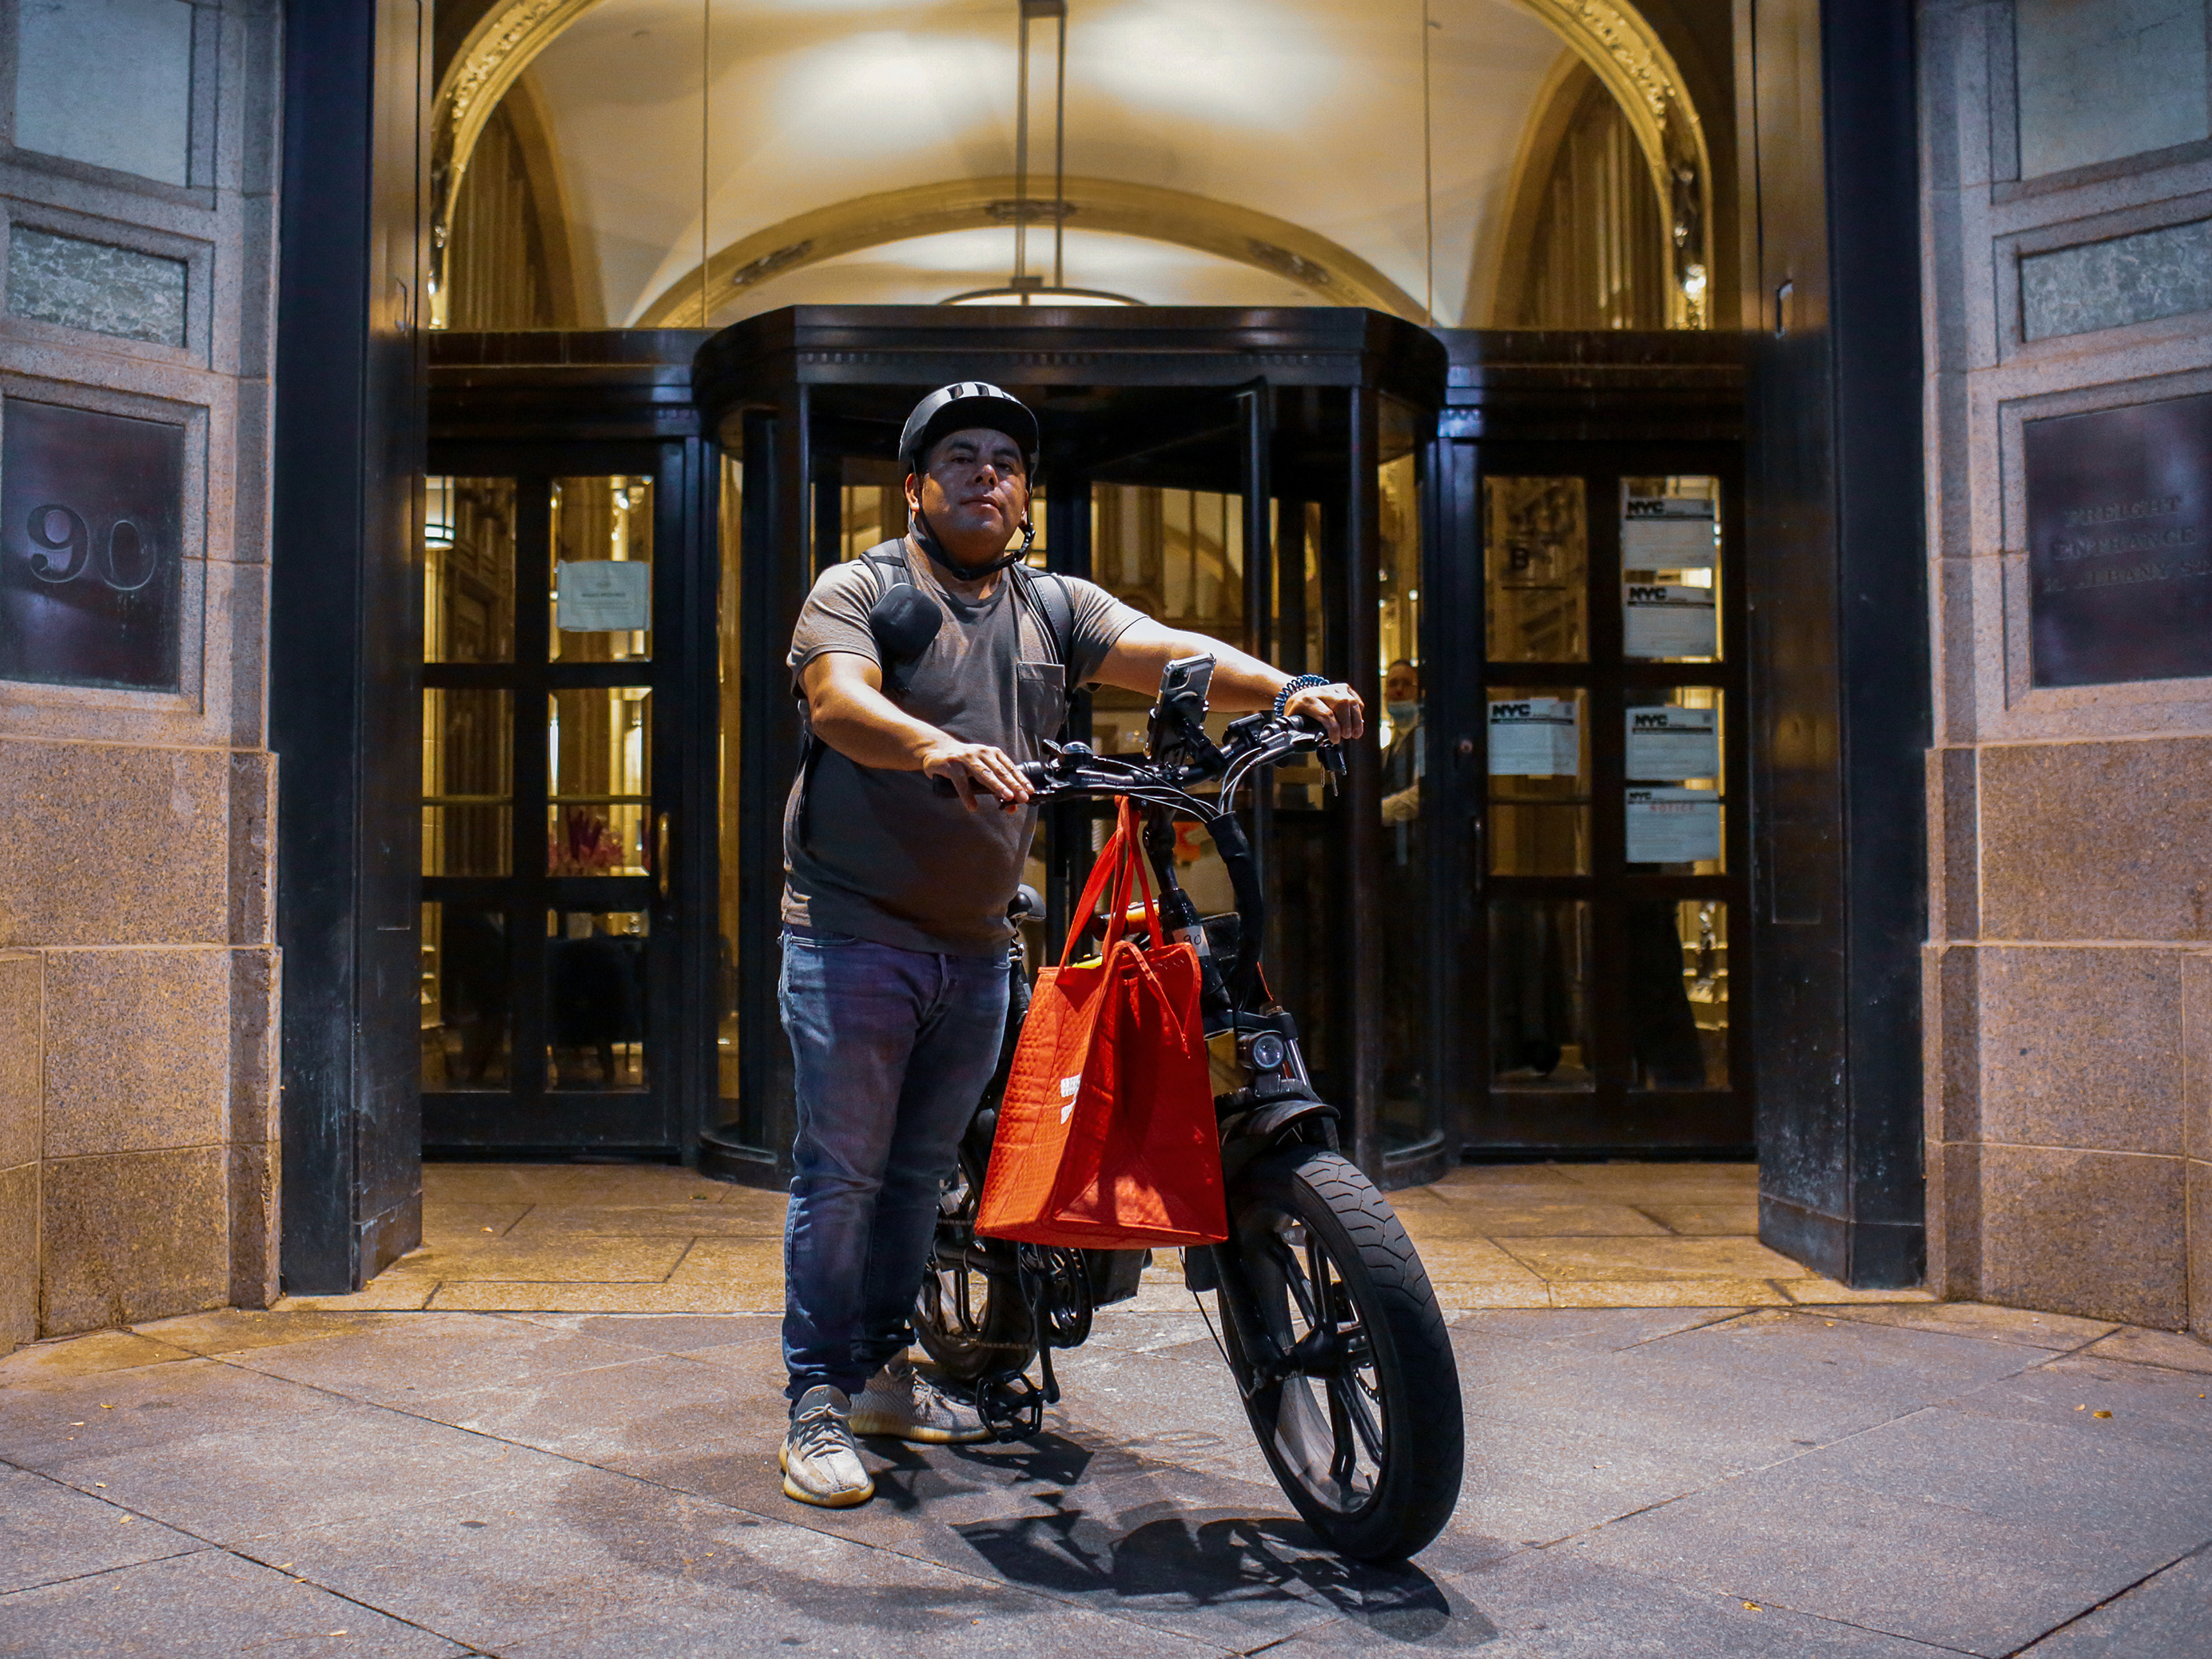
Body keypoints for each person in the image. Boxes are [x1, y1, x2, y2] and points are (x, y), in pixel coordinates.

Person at [775, 382, 1366, 1507]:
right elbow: (839, 703)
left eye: (1004, 460)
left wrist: (1287, 687)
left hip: (977, 937)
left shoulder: (1054, 607)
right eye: (958, 459)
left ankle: (877, 1367)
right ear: (914, 488)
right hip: (852, 932)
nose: (984, 475)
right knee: (843, 1172)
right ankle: (813, 1398)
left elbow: (1170, 655)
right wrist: (934, 746)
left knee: (914, 1175)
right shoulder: (860, 590)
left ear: (1026, 493)